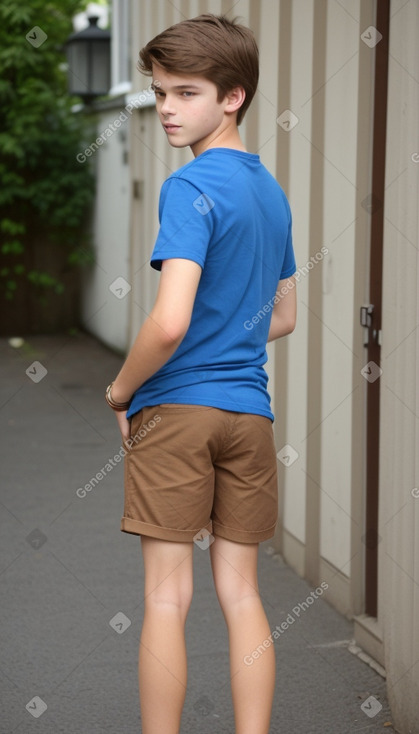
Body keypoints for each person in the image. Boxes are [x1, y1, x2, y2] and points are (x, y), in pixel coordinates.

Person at [105, 13, 296, 734]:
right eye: (158, 93)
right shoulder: (269, 192)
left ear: (232, 97)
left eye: (185, 92)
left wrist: (122, 390)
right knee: (242, 594)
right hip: (249, 415)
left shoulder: (189, 190)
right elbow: (282, 316)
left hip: (177, 413)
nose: (165, 109)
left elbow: (169, 320)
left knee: (164, 598)